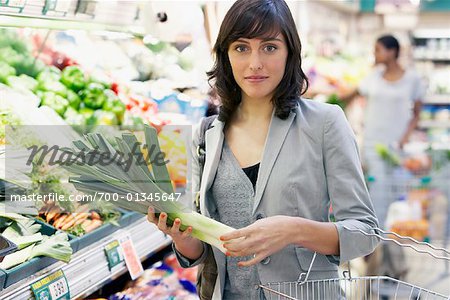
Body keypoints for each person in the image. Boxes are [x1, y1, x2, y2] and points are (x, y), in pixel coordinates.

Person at [147, 0, 379, 299]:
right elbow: (203, 251)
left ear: (290, 53)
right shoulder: (206, 135)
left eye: (269, 47)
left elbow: (365, 233)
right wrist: (180, 236)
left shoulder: (325, 123)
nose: (255, 62)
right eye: (241, 48)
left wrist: (293, 230)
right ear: (226, 55)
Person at [341, 35, 426, 228]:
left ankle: (382, 236)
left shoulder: (412, 79)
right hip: (372, 143)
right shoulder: (373, 77)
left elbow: (417, 113)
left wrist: (405, 137)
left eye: (378, 49)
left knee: (392, 191)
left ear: (392, 52)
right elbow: (351, 96)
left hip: (396, 145)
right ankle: (376, 237)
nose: (374, 54)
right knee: (376, 191)